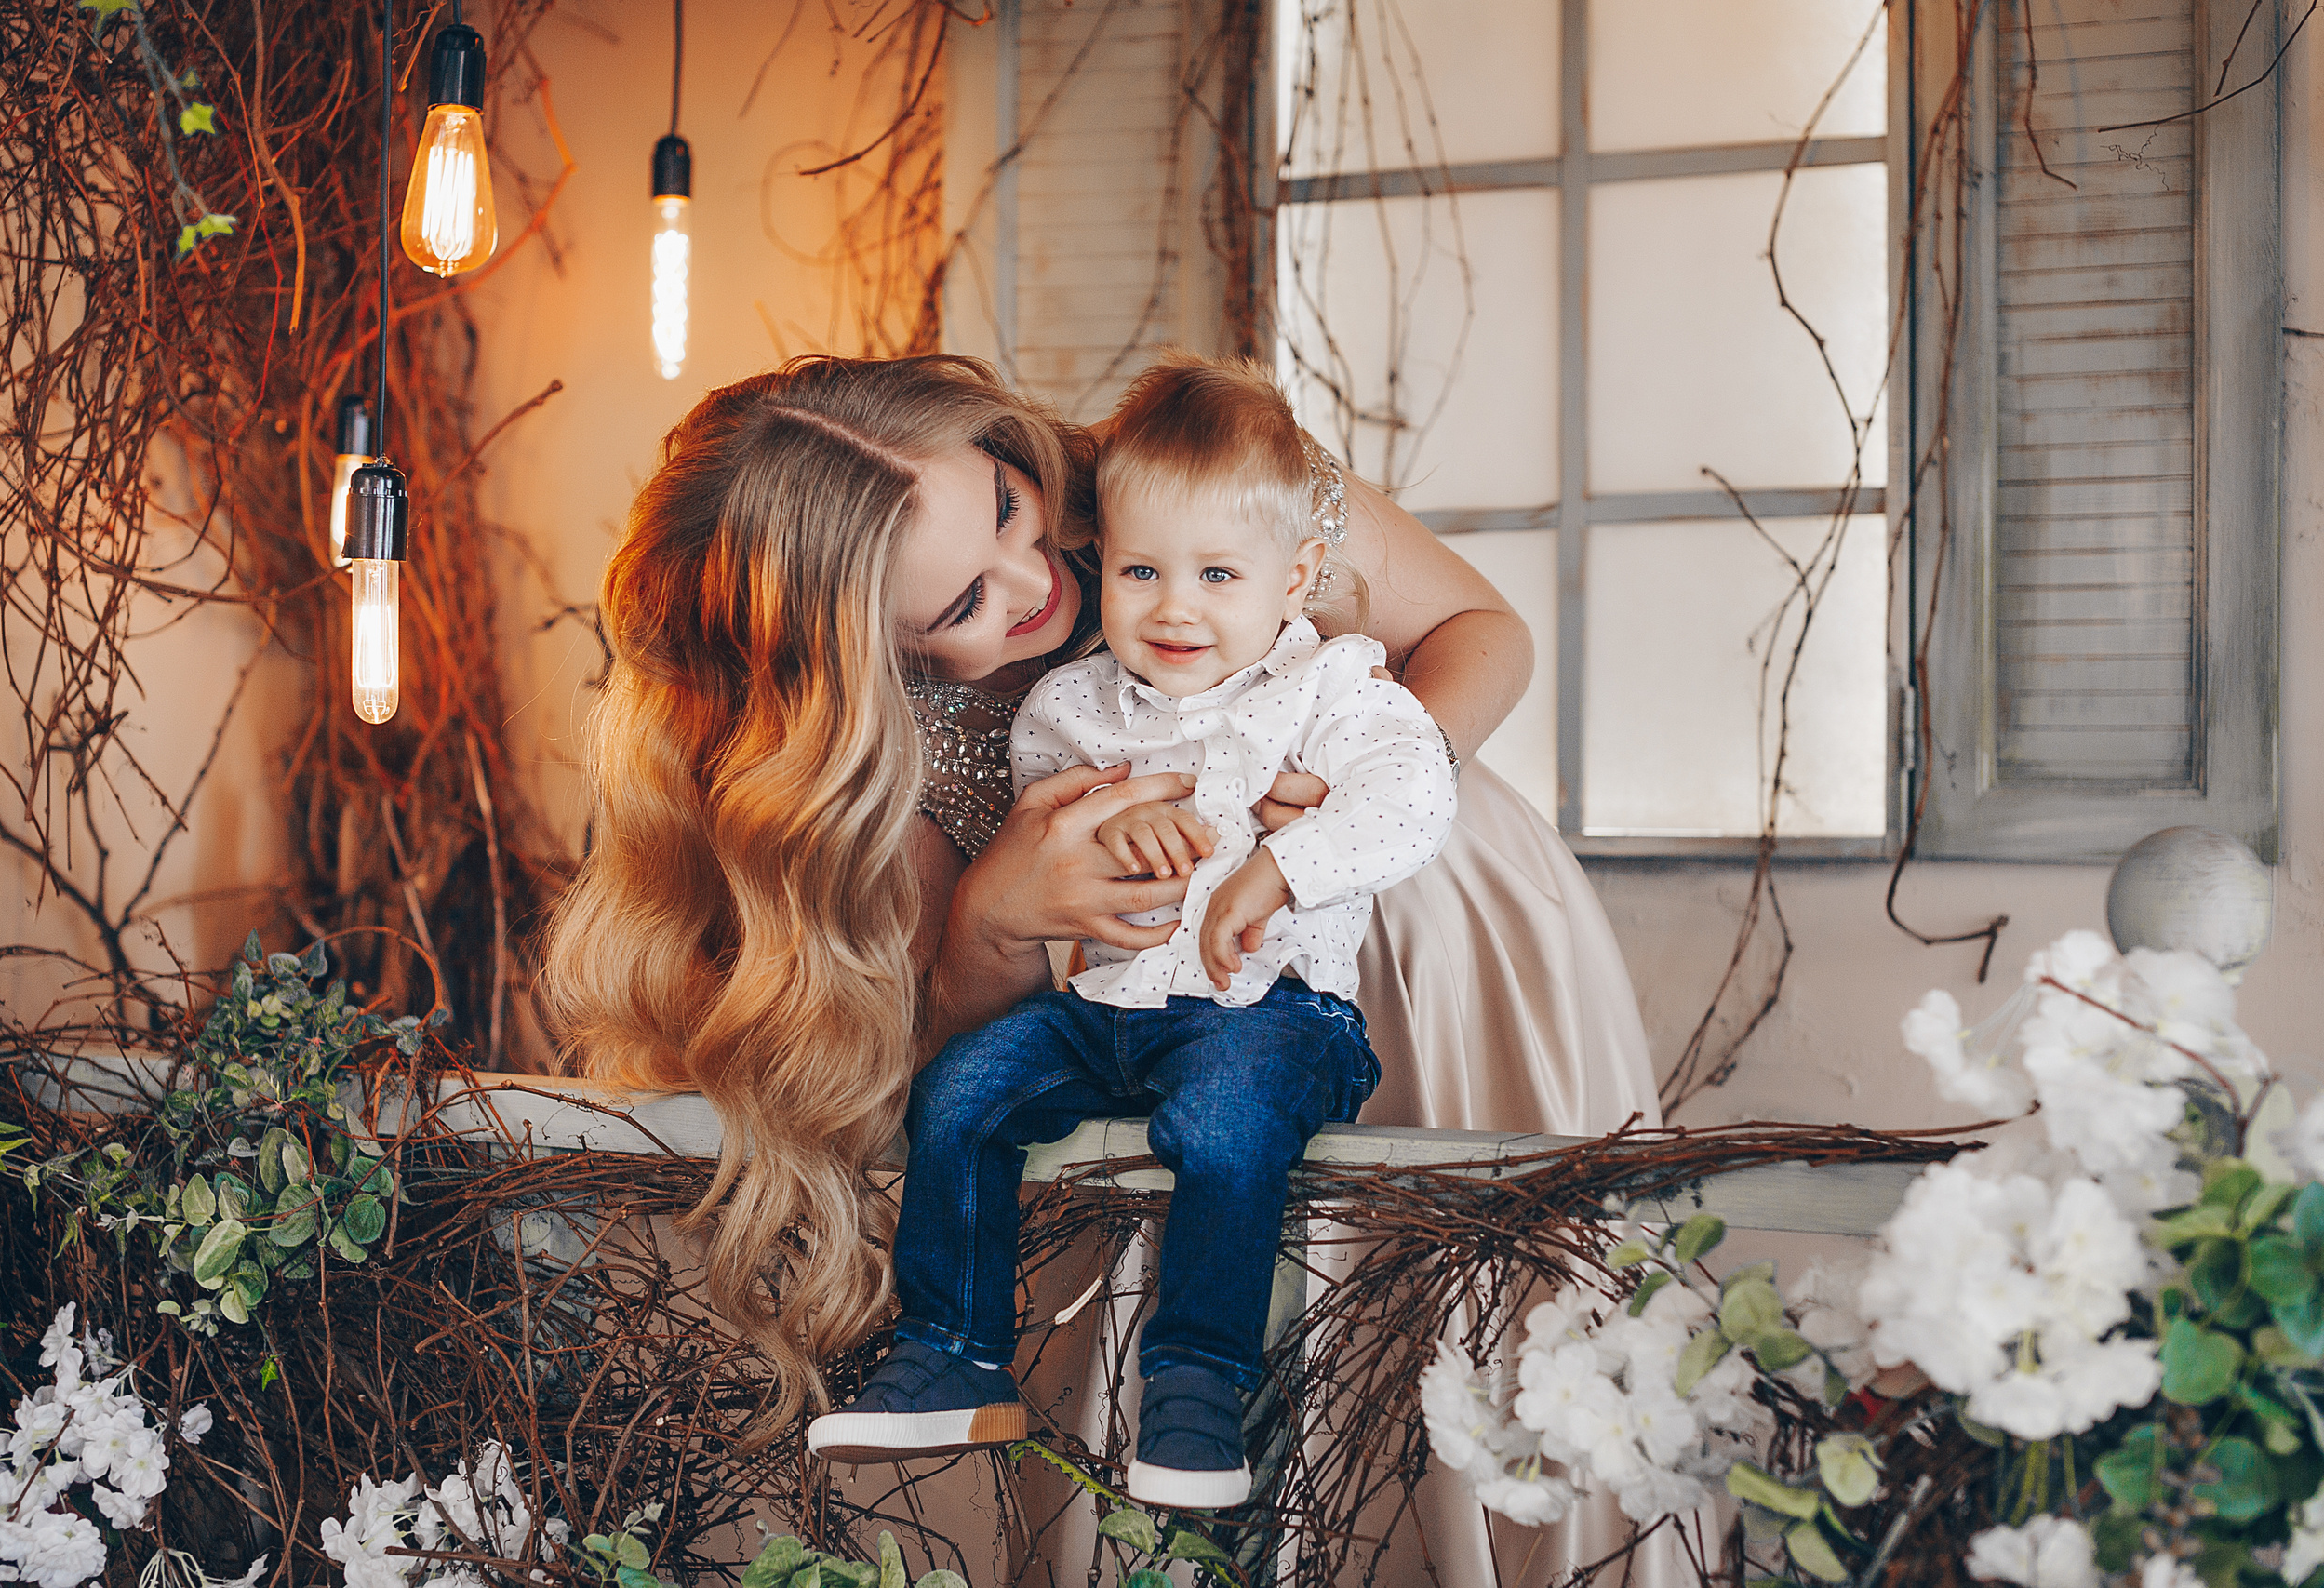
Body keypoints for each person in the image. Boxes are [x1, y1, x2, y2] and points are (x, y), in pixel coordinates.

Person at [545, 353, 1655, 1579]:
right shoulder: (876, 761)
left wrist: (1369, 783)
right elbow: (916, 1056)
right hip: (1154, 1025)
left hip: (1442, 938)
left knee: (1492, 1334)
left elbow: (1481, 626)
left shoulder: (1186, 481)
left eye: (1011, 510)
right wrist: (990, 918)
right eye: (962, 603)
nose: (1037, 582)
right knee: (1258, 1404)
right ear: (870, 662)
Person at [804, 357, 1456, 1509]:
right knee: (961, 1091)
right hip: (1111, 1009)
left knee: (1222, 1123)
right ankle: (952, 1350)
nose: (1174, 607)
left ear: (1297, 575)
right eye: (1143, 572)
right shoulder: (1071, 704)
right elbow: (1053, 826)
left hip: (1273, 1007)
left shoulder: (1333, 681)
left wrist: (1282, 861)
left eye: (1214, 575)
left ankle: (1198, 1381)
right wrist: (1121, 834)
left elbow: (1413, 794)